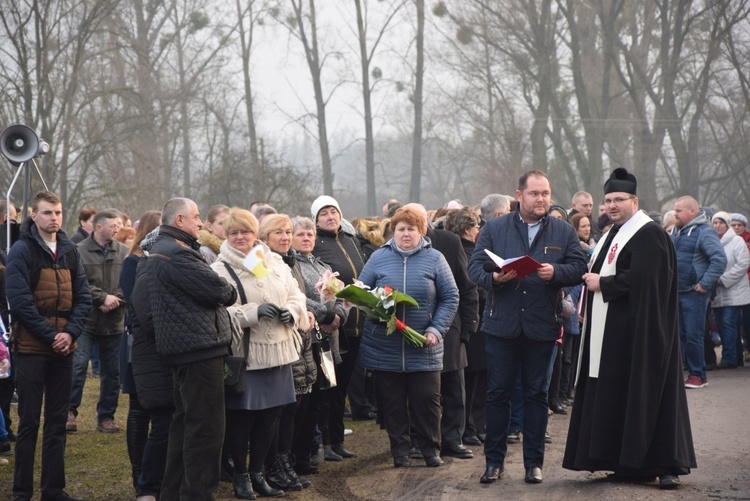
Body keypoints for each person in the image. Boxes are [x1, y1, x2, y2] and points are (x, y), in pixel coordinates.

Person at [563, 167, 697, 489]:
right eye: (607, 200)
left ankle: (659, 463)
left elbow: (646, 281)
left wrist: (602, 283)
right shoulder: (614, 233)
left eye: (618, 200)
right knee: (618, 395)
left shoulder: (649, 234)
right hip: (615, 334)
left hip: (642, 334)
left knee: (646, 395)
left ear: (634, 201)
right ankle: (623, 463)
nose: (611, 205)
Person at [468, 170, 587, 485]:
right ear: (518, 195)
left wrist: (556, 272)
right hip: (502, 325)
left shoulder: (562, 230)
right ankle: (493, 463)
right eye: (535, 193)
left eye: (546, 193)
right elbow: (474, 267)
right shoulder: (495, 227)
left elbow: (579, 267)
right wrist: (493, 279)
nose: (542, 199)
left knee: (536, 395)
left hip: (541, 326)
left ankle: (534, 464)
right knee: (497, 395)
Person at [142, 197, 238, 500]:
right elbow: (222, 291)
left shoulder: (169, 250)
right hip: (199, 351)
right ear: (180, 219)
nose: (200, 223)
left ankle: (173, 493)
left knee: (185, 427)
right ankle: (197, 495)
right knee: (206, 431)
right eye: (196, 217)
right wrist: (225, 288)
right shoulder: (177, 254)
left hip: (191, 350)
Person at [210, 208, 306, 499]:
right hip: (248, 355)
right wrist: (251, 313)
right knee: (244, 419)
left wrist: (292, 311)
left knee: (271, 418)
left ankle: (259, 473)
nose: (241, 238)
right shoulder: (219, 269)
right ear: (226, 236)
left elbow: (294, 294)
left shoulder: (272, 261)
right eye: (234, 233)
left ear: (256, 234)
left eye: (246, 232)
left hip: (279, 351)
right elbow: (216, 315)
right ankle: (240, 477)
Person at [7, 190, 92, 501]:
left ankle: (53, 489)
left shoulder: (70, 251)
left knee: (57, 421)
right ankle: (21, 491)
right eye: (46, 213)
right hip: (31, 348)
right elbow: (20, 302)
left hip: (64, 349)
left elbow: (83, 298)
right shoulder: (21, 250)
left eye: (57, 212)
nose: (53, 218)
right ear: (34, 215)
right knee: (29, 422)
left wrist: (69, 333)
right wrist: (50, 334)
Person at [358, 207, 459, 468]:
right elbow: (361, 290)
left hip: (423, 345)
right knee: (392, 404)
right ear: (393, 231)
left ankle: (430, 450)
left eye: (411, 229)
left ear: (422, 230)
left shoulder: (435, 258)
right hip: (385, 346)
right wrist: (368, 302)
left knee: (427, 402)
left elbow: (450, 297)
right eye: (400, 229)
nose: (405, 234)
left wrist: (435, 330)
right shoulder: (379, 258)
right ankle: (400, 452)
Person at [403, 203, 478, 460]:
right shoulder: (400, 245)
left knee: (454, 387)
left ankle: (452, 440)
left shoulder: (449, 241)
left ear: (428, 221)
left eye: (420, 221)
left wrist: (468, 327)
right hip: (413, 328)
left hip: (451, 328)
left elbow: (466, 287)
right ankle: (418, 440)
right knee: (419, 390)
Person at [257, 213, 316, 493]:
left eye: (288, 232)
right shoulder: (257, 259)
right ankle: (271, 467)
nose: (285, 237)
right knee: (276, 410)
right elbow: (257, 293)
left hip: (297, 338)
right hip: (272, 340)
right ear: (265, 236)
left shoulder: (289, 260)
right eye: (278, 233)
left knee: (292, 406)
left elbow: (297, 296)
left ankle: (284, 462)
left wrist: (305, 311)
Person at [119, 210, 172, 500]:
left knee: (157, 409)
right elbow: (137, 301)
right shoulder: (133, 262)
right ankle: (139, 471)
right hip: (136, 343)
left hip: (158, 343)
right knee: (138, 409)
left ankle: (155, 471)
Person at [309, 195, 367, 460]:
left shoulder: (350, 239)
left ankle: (338, 439)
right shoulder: (316, 245)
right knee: (329, 387)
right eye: (324, 214)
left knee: (342, 386)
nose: (331, 217)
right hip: (332, 325)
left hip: (356, 323)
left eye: (334, 212)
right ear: (316, 220)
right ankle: (327, 442)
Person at [291, 216, 348, 475]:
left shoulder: (322, 264)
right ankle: (300, 454)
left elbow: (337, 296)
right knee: (305, 401)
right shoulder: (292, 265)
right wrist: (325, 316)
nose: (306, 239)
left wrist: (338, 316)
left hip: (327, 340)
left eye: (310, 235)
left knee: (321, 400)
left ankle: (314, 449)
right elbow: (297, 296)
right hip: (307, 340)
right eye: (301, 234)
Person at [68, 210, 128, 434]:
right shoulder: (79, 251)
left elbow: (130, 280)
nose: (117, 229)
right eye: (113, 225)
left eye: (118, 225)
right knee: (78, 366)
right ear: (98, 227)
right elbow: (76, 282)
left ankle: (106, 417)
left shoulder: (124, 251)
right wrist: (102, 298)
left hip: (115, 320)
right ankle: (69, 412)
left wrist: (115, 299)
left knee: (112, 372)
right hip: (86, 321)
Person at [671, 196, 727, 389]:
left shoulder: (705, 232)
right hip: (678, 291)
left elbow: (719, 259)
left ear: (692, 212)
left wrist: (705, 283)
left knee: (694, 335)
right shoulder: (677, 231)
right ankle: (684, 373)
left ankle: (698, 375)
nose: (675, 213)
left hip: (694, 293)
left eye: (679, 210)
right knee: (681, 335)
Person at [443, 208, 486, 447]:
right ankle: (470, 428)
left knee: (472, 380)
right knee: (470, 380)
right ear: (467, 229)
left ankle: (472, 427)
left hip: (471, 321)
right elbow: (471, 287)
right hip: (471, 321)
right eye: (476, 226)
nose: (479, 230)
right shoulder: (465, 251)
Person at [710, 211, 750, 369]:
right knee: (721, 324)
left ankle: (730, 357)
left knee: (729, 323)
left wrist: (723, 279)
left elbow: (743, 264)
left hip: (734, 290)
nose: (717, 226)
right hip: (717, 291)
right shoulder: (712, 241)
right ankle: (736, 357)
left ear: (727, 225)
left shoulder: (737, 241)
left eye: (721, 223)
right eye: (715, 223)